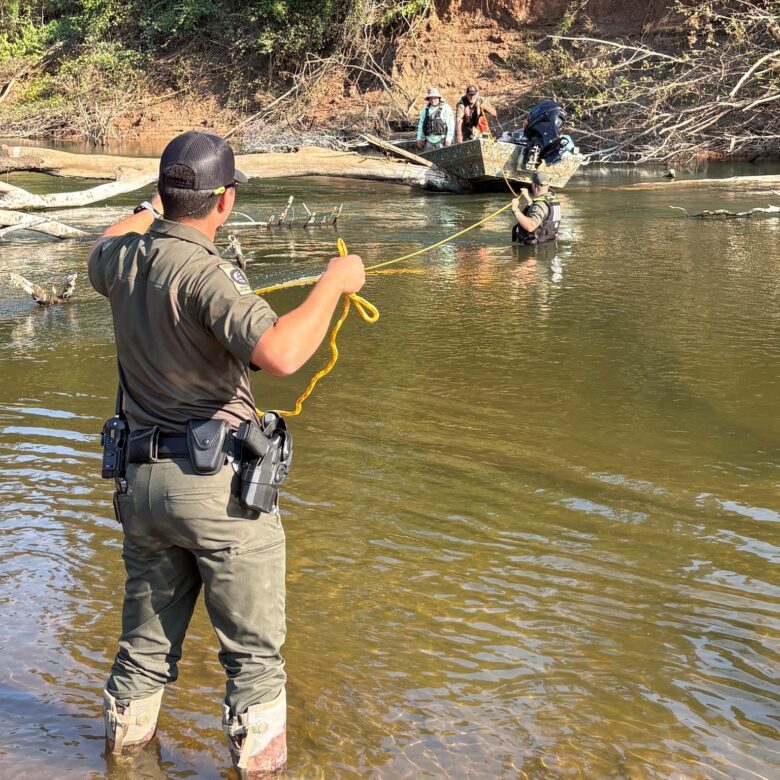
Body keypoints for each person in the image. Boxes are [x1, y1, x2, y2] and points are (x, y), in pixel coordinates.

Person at [87, 130, 365, 776]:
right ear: (225, 201)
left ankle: (121, 763)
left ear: (165, 194)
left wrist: (150, 209)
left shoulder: (123, 261)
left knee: (141, 654)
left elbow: (103, 240)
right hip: (218, 494)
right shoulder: (208, 273)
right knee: (254, 664)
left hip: (142, 488)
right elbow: (282, 353)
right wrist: (333, 284)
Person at [511, 171, 561, 245]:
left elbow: (531, 226)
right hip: (549, 242)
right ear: (548, 185)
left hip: (536, 247)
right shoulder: (552, 200)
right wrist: (527, 197)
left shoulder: (540, 204)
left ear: (534, 185)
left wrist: (515, 210)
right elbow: (542, 211)